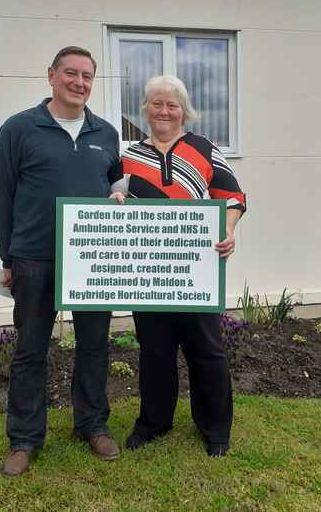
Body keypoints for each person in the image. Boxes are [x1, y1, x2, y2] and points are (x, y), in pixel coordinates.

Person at [0, 46, 122, 477]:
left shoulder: (106, 133)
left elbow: (114, 185)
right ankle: (24, 438)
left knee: (94, 346)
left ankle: (92, 424)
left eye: (87, 76)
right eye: (70, 73)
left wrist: (117, 196)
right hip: (33, 257)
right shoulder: (19, 129)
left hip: (92, 260)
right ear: (51, 76)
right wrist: (7, 256)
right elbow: (0, 195)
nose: (79, 83)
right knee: (29, 350)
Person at [109, 75, 247, 457]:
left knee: (207, 350)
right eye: (156, 103)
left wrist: (228, 229)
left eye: (172, 105)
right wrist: (116, 200)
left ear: (184, 111)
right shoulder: (128, 156)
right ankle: (154, 422)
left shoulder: (204, 149)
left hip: (197, 270)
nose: (164, 111)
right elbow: (114, 196)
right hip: (149, 271)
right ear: (145, 110)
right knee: (154, 351)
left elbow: (233, 197)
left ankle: (215, 428)